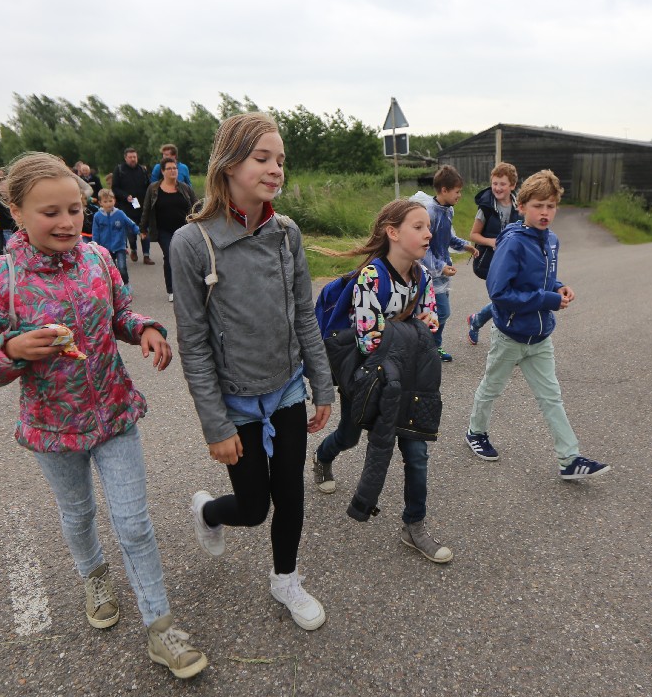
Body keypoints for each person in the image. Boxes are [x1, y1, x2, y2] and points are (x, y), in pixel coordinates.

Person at [0, 152, 207, 680]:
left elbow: (121, 313)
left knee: (134, 523)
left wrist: (145, 329)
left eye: (75, 209)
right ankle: (94, 576)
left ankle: (161, 627)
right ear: (16, 212)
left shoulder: (97, 258)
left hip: (114, 412)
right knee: (77, 515)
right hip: (52, 427)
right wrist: (12, 349)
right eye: (50, 212)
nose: (67, 222)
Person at [167, 112, 335, 631]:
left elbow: (304, 314)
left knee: (291, 494)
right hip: (235, 402)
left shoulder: (287, 233)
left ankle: (286, 580)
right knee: (254, 507)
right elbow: (193, 344)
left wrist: (322, 384)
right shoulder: (191, 243)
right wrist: (215, 426)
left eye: (280, 160)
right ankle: (208, 512)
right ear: (228, 164)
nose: (276, 169)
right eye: (262, 158)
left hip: (286, 390)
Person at [311, 199, 453, 563]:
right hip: (369, 378)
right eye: (418, 227)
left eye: (428, 226)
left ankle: (414, 526)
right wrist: (416, 328)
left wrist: (418, 326)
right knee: (349, 435)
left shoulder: (423, 276)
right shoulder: (372, 277)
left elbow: (431, 325)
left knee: (416, 453)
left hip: (410, 381)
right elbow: (369, 341)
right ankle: (322, 457)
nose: (428, 233)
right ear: (393, 233)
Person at [464, 170, 612, 482]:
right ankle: (475, 432)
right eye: (538, 206)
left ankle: (569, 459)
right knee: (492, 388)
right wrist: (546, 299)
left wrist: (558, 287)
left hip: (540, 336)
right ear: (522, 207)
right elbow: (499, 293)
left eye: (551, 206)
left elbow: (541, 280)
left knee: (551, 396)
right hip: (510, 335)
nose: (545, 212)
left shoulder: (552, 240)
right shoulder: (513, 243)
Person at [411, 166, 474, 362]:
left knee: (438, 313)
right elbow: (424, 246)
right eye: (457, 191)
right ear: (444, 190)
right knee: (442, 312)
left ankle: (433, 347)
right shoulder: (431, 213)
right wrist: (439, 267)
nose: (460, 195)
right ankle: (425, 346)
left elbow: (448, 238)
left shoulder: (448, 210)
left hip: (442, 271)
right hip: (430, 273)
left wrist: (465, 246)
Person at [466, 161, 520, 344]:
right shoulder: (486, 207)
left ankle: (477, 320)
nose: (497, 187)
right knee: (503, 298)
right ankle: (502, 340)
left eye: (502, 184)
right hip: (490, 262)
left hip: (512, 262)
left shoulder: (519, 206)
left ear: (512, 185)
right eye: (495, 183)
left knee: (507, 298)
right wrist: (491, 242)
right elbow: (473, 234)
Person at [141, 157, 198, 302]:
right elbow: (146, 209)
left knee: (185, 257)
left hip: (184, 229)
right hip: (163, 230)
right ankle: (172, 289)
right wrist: (143, 228)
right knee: (170, 255)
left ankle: (187, 287)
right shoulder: (153, 189)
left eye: (175, 168)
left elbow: (197, 206)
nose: (173, 171)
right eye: (169, 168)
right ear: (162, 171)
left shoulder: (185, 188)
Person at [91, 189, 140, 284]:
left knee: (122, 267)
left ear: (114, 200)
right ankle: (115, 286)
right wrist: (95, 247)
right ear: (100, 203)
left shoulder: (119, 213)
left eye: (110, 201)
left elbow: (130, 223)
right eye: (105, 201)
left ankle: (126, 285)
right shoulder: (97, 216)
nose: (108, 204)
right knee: (111, 270)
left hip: (119, 246)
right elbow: (95, 232)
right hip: (105, 249)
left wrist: (139, 231)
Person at [112, 148, 151, 264]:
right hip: (127, 206)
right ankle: (133, 249)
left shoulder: (142, 170)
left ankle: (146, 255)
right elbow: (115, 188)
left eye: (135, 157)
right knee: (131, 231)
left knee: (144, 229)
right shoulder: (120, 170)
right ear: (125, 158)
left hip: (142, 206)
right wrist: (125, 196)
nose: (133, 159)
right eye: (130, 157)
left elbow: (148, 185)